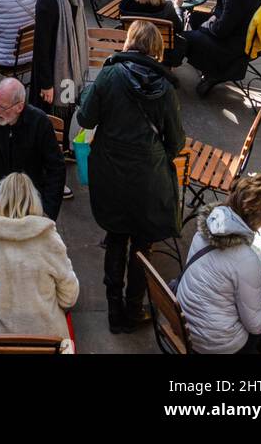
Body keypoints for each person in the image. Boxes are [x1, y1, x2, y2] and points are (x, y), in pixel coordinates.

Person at [77, 19, 185, 333]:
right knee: (142, 244)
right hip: (148, 178)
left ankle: (114, 312)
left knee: (115, 237)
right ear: (156, 50)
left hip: (110, 170)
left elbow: (85, 118)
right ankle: (135, 309)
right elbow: (176, 142)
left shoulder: (109, 75)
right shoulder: (165, 88)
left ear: (129, 43)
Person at [176, 172, 261, 355]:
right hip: (215, 345)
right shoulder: (246, 259)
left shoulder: (205, 228)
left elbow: (240, 282)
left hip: (188, 324)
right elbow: (256, 324)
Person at [0, 172, 79, 344]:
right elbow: (69, 296)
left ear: (0, 201)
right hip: (49, 340)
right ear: (35, 201)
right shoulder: (50, 237)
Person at [0, 78, 65, 221]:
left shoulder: (40, 123)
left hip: (30, 200)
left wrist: (48, 214)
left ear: (19, 107)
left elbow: (56, 169)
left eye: (2, 107)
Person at [31, 0, 89, 179]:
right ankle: (52, 169)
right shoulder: (49, 1)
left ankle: (63, 149)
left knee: (65, 115)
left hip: (66, 72)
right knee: (53, 121)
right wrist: (46, 85)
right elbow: (41, 48)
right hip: (53, 76)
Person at [119, 0, 187, 65]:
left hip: (134, 45)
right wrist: (178, 8)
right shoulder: (166, 7)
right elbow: (179, 28)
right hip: (162, 49)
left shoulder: (126, 4)